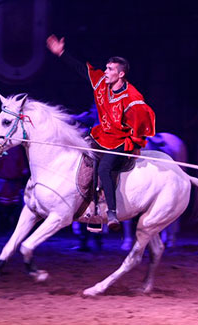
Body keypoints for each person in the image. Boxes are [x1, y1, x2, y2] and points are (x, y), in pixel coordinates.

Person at [46, 35, 156, 231]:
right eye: (106, 68)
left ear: (121, 74)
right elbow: (80, 69)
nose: (105, 72)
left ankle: (111, 213)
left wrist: (137, 146)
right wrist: (61, 53)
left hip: (121, 140)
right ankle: (88, 204)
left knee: (104, 168)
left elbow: (143, 119)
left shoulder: (132, 97)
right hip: (102, 134)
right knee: (81, 155)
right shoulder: (100, 83)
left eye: (110, 69)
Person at [0, 145, 29, 235]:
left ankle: (14, 231)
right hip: (1, 182)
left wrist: (24, 183)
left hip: (15, 183)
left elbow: (22, 167)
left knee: (16, 208)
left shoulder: (17, 148)